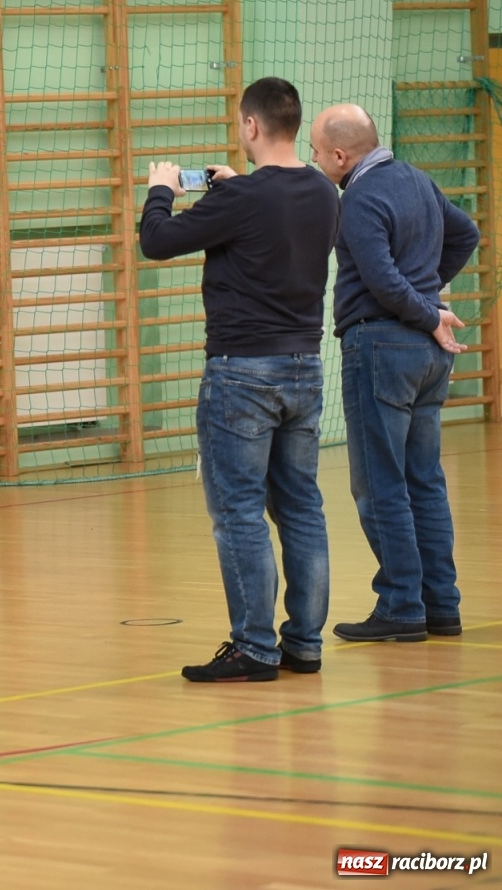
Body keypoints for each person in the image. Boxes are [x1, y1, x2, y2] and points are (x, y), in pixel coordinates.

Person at [138, 77, 340, 683]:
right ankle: (302, 643)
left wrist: (160, 191)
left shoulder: (243, 200)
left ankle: (254, 646)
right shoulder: (324, 192)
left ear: (250, 127)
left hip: (241, 372)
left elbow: (157, 241)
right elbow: (269, 222)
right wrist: (235, 190)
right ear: (294, 124)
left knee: (239, 513)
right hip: (304, 367)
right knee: (301, 506)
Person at [310, 104, 480, 643]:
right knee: (424, 482)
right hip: (428, 354)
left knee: (380, 485)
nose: (313, 161)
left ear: (340, 155)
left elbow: (382, 281)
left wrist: (423, 307)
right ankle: (441, 606)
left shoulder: (357, 198)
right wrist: (427, 294)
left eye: (315, 152)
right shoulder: (418, 180)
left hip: (381, 344)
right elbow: (466, 234)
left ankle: (402, 605)